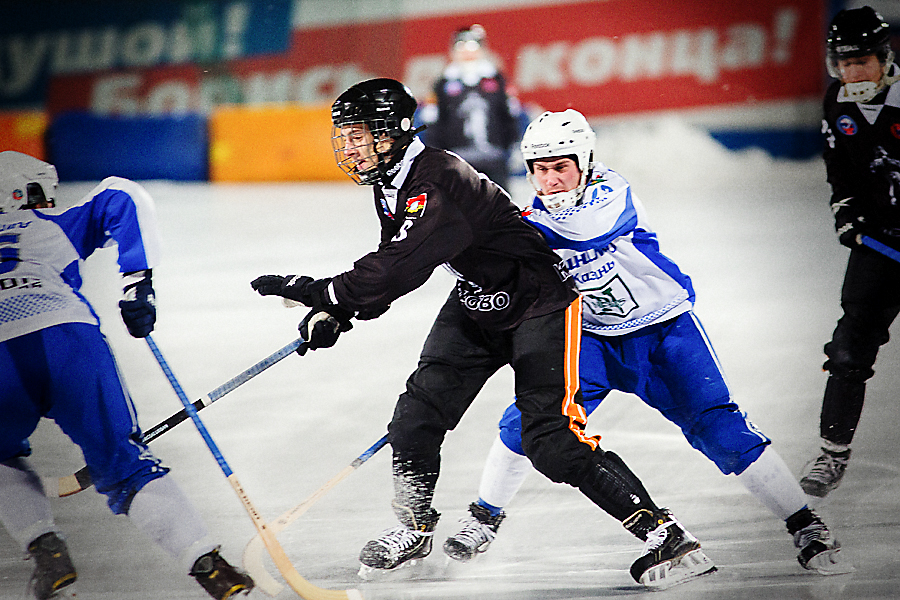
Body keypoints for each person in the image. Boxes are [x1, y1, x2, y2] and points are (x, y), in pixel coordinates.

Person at [250, 78, 716, 590]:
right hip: (477, 301)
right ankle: (414, 528)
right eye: (347, 136)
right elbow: (401, 254)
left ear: (396, 131)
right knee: (416, 415)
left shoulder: (438, 178)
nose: (351, 146)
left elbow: (401, 265)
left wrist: (324, 294)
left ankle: (665, 534)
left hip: (538, 302)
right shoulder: (393, 182)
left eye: (361, 134)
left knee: (550, 439)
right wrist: (345, 312)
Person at [440, 110, 847, 576]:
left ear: (586, 162)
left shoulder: (611, 193)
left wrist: (496, 235)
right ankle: (483, 517)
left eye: (560, 167)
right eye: (539, 169)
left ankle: (805, 524)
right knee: (529, 424)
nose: (549, 180)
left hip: (663, 333)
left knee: (720, 429)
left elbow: (582, 232)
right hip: (589, 341)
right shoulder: (528, 220)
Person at [0, 151, 254, 600]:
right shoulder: (51, 226)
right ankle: (211, 568)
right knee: (127, 467)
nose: (46, 204)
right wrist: (138, 282)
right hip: (69, 341)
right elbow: (122, 192)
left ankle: (46, 550)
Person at [799, 6, 900, 499]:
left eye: (862, 61)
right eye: (844, 63)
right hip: (881, 243)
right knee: (847, 349)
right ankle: (832, 454)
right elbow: (842, 172)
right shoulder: (837, 104)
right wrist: (851, 218)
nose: (852, 73)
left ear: (885, 58)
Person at [418, 24, 523, 191]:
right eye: (461, 46)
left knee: (499, 207)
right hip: (458, 161)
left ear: (483, 48)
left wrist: (511, 148)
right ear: (452, 50)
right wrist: (439, 159)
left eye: (473, 46)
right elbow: (433, 125)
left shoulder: (496, 79)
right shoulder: (443, 84)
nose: (467, 52)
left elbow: (510, 116)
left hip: (494, 159)